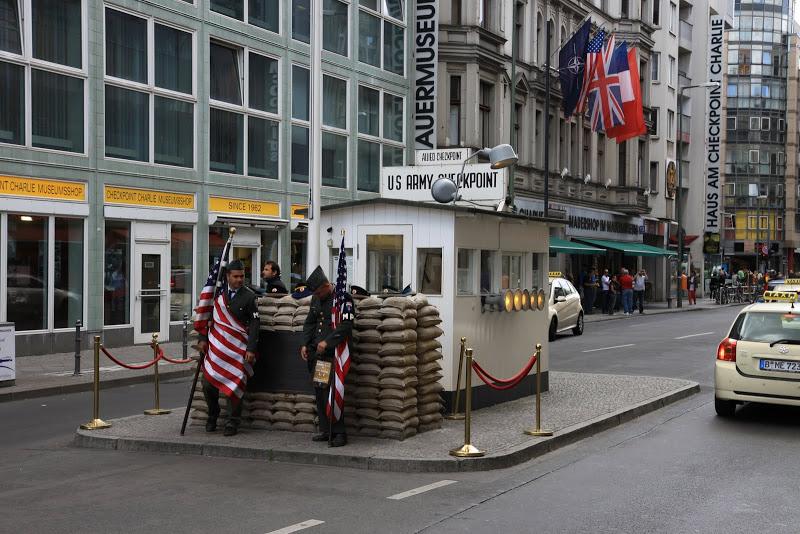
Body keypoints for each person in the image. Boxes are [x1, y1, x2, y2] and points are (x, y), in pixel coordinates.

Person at [197, 260, 259, 437]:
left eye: (242, 276)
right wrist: (202, 338)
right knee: (207, 383)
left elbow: (255, 323)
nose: (240, 280)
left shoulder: (249, 297)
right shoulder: (216, 294)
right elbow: (207, 318)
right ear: (228, 276)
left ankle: (232, 421)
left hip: (237, 349)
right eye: (236, 276)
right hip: (216, 348)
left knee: (236, 384)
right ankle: (213, 415)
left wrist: (251, 349)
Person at [300, 266, 355, 447]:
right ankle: (326, 429)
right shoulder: (316, 299)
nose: (316, 295)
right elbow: (310, 322)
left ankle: (339, 432)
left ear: (326, 286)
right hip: (318, 354)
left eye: (318, 291)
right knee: (321, 392)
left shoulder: (343, 299)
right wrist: (304, 344)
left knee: (333, 394)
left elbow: (346, 325)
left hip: (334, 354)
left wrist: (328, 342)